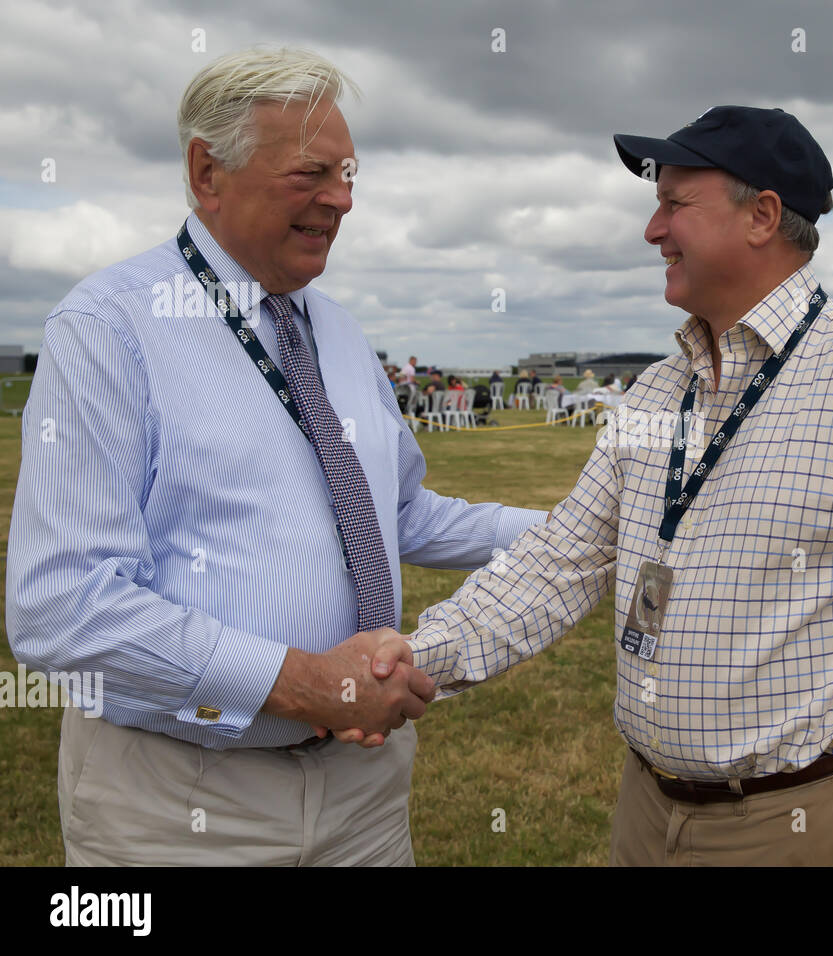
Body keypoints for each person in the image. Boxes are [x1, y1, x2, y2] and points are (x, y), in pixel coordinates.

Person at [336, 105, 833, 866]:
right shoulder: (656, 391)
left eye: (674, 204)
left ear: (762, 216)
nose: (652, 230)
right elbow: (561, 560)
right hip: (647, 809)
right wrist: (414, 659)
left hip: (805, 823)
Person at [5, 47, 547, 866]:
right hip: (183, 804)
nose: (342, 199)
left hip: (363, 790)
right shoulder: (109, 330)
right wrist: (298, 683)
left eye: (349, 174)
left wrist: (580, 529)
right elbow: (61, 606)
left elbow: (397, 514)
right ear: (206, 171)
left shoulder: (337, 327)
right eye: (311, 174)